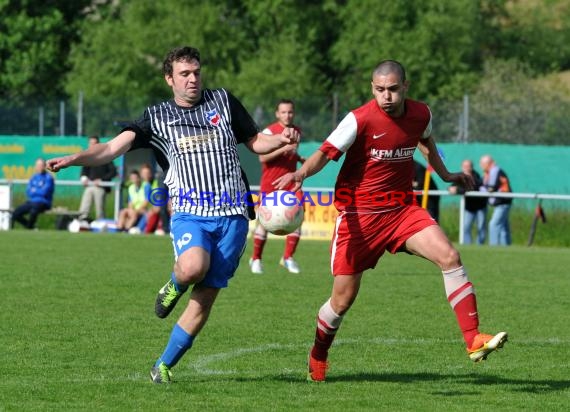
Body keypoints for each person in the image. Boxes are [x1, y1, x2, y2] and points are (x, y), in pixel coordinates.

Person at [46, 46, 299, 384]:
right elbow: (109, 149)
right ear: (170, 79)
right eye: (184, 73)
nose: (192, 78)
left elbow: (255, 142)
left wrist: (280, 139)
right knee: (193, 267)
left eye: (196, 72)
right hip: (190, 211)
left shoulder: (223, 101)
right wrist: (73, 158)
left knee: (205, 297)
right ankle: (175, 282)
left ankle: (163, 365)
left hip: (234, 214)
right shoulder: (156, 118)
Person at [274, 60, 507, 382]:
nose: (387, 96)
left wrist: (446, 174)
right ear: (373, 89)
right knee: (342, 300)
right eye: (380, 90)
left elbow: (425, 141)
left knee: (449, 256)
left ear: (405, 87)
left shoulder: (420, 114)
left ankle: (473, 338)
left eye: (393, 89)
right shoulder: (359, 119)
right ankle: (319, 353)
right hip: (359, 216)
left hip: (401, 210)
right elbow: (326, 153)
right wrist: (300, 173)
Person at [249, 99, 305, 274]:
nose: (287, 115)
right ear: (277, 114)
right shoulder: (269, 131)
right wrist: (284, 148)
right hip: (271, 184)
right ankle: (256, 259)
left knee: (297, 218)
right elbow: (262, 158)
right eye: (283, 112)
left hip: (291, 185)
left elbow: (290, 155)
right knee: (264, 222)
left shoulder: (297, 131)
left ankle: (288, 258)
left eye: (290, 112)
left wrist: (299, 159)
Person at [77, 135, 117, 222]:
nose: (93, 146)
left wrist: (101, 180)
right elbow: (84, 172)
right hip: (89, 187)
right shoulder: (86, 157)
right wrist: (84, 178)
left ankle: (101, 224)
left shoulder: (106, 156)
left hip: (100, 187)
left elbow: (113, 172)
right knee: (84, 208)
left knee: (99, 210)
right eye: (91, 144)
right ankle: (81, 222)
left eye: (95, 143)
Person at [448, 159, 487, 245]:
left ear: (472, 167)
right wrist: (450, 189)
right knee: (466, 227)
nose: (466, 168)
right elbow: (452, 186)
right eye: (464, 166)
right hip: (469, 207)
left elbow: (471, 188)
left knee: (481, 227)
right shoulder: (459, 176)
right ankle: (467, 245)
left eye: (468, 166)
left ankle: (480, 246)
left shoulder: (476, 176)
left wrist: (457, 190)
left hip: (480, 206)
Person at [12, 158, 55, 230]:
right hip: (32, 201)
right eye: (37, 165)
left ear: (45, 166)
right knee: (16, 213)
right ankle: (31, 227)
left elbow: (44, 192)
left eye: (41, 165)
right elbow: (28, 192)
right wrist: (38, 191)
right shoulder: (34, 177)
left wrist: (34, 190)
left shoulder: (48, 178)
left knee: (34, 210)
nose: (39, 167)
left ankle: (30, 227)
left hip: (44, 202)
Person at [480, 155, 512, 246]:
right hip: (503, 202)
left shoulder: (494, 170)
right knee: (503, 227)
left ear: (489, 163)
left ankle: (493, 246)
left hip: (502, 202)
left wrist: (481, 189)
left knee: (493, 224)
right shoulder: (489, 172)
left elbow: (491, 188)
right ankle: (506, 247)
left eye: (482, 163)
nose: (481, 165)